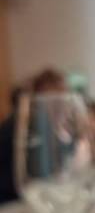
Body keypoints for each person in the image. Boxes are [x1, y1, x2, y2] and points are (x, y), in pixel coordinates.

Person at [0, 68, 65, 205]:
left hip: (22, 199)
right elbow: (41, 174)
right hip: (10, 203)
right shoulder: (27, 122)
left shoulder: (39, 120)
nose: (62, 103)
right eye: (58, 94)